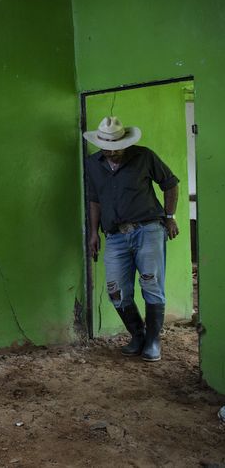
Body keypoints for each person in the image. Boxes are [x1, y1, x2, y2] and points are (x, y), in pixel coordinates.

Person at [84, 116, 179, 363]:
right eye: (107, 148)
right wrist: (93, 232)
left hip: (148, 229)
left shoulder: (144, 156)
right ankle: (138, 335)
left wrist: (170, 216)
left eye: (117, 148)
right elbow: (94, 199)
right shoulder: (93, 164)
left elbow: (170, 183)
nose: (113, 152)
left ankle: (153, 341)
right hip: (115, 236)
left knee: (151, 283)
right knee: (116, 290)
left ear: (125, 143)